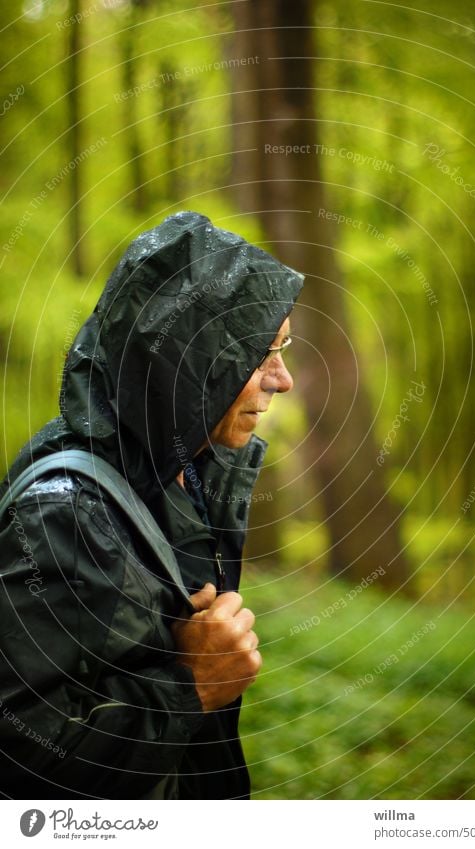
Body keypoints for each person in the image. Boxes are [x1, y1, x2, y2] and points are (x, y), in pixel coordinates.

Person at [0, 211, 303, 800]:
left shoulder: (184, 471)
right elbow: (15, 754)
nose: (282, 379)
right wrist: (189, 685)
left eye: (284, 347)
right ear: (189, 367)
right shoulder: (63, 516)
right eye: (261, 354)